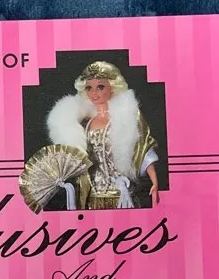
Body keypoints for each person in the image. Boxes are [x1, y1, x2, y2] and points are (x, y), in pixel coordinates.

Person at [39, 61, 160, 210]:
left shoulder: (125, 119)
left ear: (113, 87)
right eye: (89, 88)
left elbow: (143, 148)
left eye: (100, 87)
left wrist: (155, 182)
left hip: (120, 193)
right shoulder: (85, 123)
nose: (94, 93)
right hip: (92, 194)